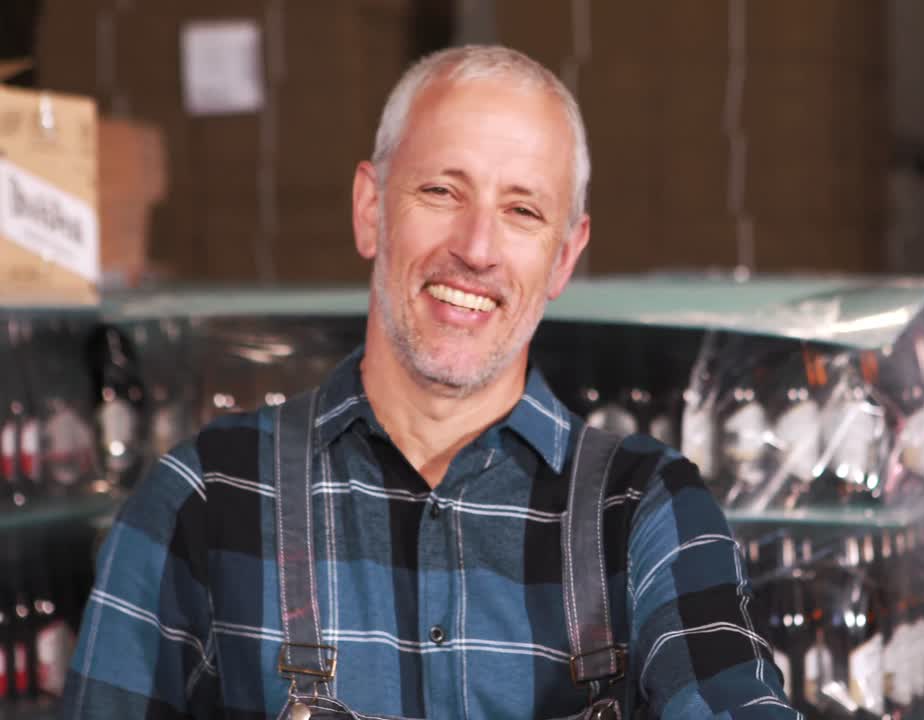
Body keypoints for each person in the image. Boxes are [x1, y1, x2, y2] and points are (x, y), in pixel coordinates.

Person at [62, 45, 795, 719]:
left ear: (565, 258)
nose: (476, 249)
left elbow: (728, 697)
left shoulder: (647, 513)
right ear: (371, 209)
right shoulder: (202, 502)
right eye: (443, 191)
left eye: (522, 211)